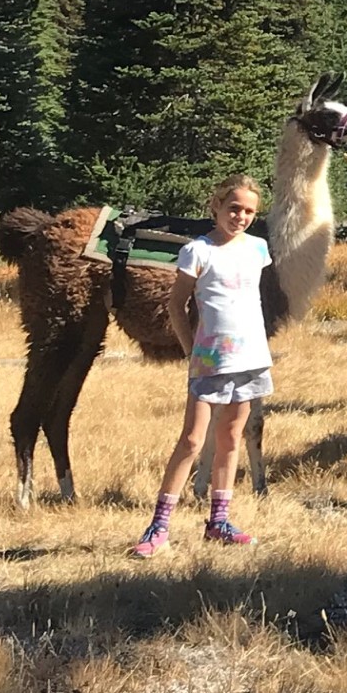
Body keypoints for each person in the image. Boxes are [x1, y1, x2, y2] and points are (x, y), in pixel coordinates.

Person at [130, 175, 271, 557]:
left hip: (251, 356)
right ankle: (158, 527)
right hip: (209, 358)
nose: (241, 216)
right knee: (192, 440)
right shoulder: (198, 251)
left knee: (231, 436)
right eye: (234, 208)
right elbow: (177, 304)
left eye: (249, 211)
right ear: (217, 206)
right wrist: (190, 349)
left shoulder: (258, 249)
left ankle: (219, 521)